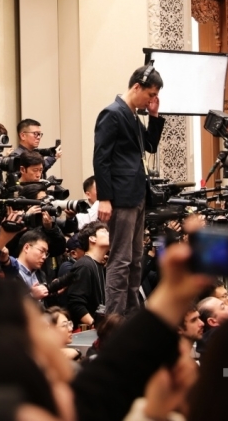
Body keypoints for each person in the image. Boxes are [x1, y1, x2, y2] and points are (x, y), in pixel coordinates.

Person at [92, 64, 165, 316]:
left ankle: (132, 315)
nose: (152, 100)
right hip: (121, 196)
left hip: (136, 194)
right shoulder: (112, 113)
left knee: (135, 259)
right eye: (150, 94)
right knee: (120, 260)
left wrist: (154, 116)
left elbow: (150, 145)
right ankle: (114, 319)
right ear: (136, 87)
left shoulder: (132, 114)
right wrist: (104, 198)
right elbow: (101, 158)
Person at [65, 222, 109, 327]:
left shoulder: (99, 265)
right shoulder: (85, 265)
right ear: (92, 239)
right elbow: (76, 303)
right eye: (104, 231)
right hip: (90, 331)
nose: (109, 234)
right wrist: (94, 325)